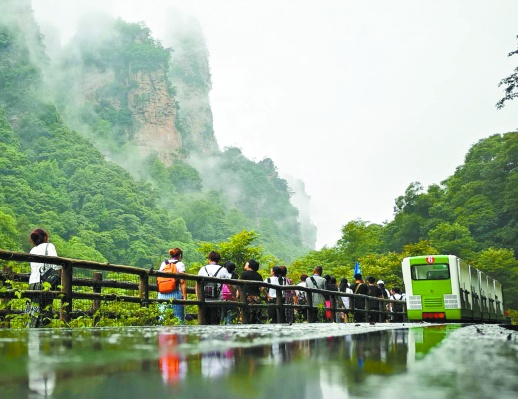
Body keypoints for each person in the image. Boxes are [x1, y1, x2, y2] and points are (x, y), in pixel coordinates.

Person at [27, 228, 61, 328]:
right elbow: (56, 264)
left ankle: (33, 333)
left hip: (33, 283)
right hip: (45, 283)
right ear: (45, 237)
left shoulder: (32, 250)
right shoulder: (49, 246)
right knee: (46, 311)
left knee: (34, 311)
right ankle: (44, 336)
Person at [197, 251, 231, 325]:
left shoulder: (203, 269)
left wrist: (198, 297)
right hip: (217, 299)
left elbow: (197, 284)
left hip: (204, 299)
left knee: (205, 320)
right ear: (219, 260)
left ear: (209, 259)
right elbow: (229, 283)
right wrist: (233, 295)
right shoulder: (223, 270)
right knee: (215, 320)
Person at [158, 247, 187, 323]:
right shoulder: (180, 264)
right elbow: (182, 282)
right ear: (180, 255)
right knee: (178, 319)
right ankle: (177, 334)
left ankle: (163, 334)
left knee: (162, 318)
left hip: (161, 294)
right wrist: (184, 298)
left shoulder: (164, 263)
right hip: (175, 294)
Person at [238, 259, 263, 324]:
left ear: (249, 265)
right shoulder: (258, 275)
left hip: (246, 297)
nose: (245, 264)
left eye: (246, 263)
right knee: (255, 316)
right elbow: (262, 287)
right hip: (256, 297)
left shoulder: (244, 274)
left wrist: (238, 294)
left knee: (245, 315)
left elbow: (240, 285)